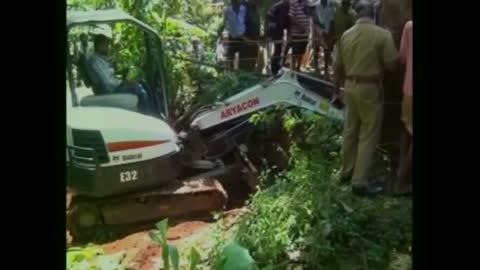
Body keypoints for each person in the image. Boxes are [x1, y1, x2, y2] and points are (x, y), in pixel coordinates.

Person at [333, 1, 398, 197]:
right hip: (370, 87)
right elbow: (392, 64)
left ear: (357, 13)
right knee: (369, 133)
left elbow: (337, 66)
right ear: (372, 13)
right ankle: (359, 182)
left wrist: (337, 90)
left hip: (350, 86)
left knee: (350, 130)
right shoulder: (382, 34)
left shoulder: (346, 35)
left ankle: (346, 172)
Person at [88, 34, 150, 113]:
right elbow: (108, 82)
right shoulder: (96, 60)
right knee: (141, 91)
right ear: (100, 45)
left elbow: (109, 75)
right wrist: (124, 82)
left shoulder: (101, 58)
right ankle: (147, 115)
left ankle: (150, 110)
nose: (108, 47)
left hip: (112, 86)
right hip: (109, 89)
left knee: (143, 83)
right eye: (106, 45)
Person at [394, 20, 412, 195]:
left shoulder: (408, 26)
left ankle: (400, 170)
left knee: (406, 128)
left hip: (408, 89)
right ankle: (400, 183)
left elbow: (402, 58)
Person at [308, 0, 337, 77]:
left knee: (327, 50)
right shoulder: (315, 5)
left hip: (327, 31)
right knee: (316, 48)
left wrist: (329, 32)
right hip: (317, 30)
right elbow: (314, 19)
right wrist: (321, 30)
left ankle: (326, 70)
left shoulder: (331, 5)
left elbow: (332, 20)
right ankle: (316, 68)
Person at [266, 0, 290, 75]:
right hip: (276, 29)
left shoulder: (284, 5)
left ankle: (276, 66)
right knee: (277, 49)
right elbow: (270, 15)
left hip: (279, 29)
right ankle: (274, 69)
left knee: (279, 49)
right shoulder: (281, 5)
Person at [224, 0, 248, 70]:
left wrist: (245, 34)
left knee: (243, 57)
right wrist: (229, 30)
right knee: (231, 56)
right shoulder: (228, 10)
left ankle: (241, 72)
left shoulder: (243, 8)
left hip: (242, 37)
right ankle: (231, 72)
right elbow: (225, 22)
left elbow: (246, 20)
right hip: (232, 37)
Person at [287, 0, 311, 71]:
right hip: (296, 33)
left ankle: (298, 68)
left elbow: (309, 15)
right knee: (295, 52)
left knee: (301, 51)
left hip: (305, 33)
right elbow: (291, 17)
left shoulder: (307, 3)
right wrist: (300, 26)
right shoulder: (293, 3)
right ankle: (293, 68)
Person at [244, 0, 261, 72]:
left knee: (252, 63)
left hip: (254, 42)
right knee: (245, 64)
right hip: (246, 43)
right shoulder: (245, 9)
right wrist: (245, 38)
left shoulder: (256, 11)